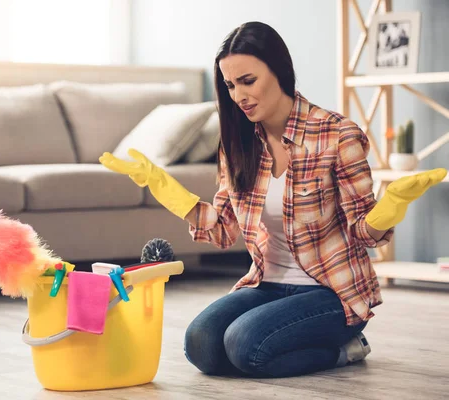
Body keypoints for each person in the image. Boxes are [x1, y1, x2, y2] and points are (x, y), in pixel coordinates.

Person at [99, 21, 447, 378]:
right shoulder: (239, 142)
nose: (238, 96)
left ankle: (345, 350)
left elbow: (362, 234)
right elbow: (221, 231)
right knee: (200, 344)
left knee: (244, 345)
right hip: (268, 284)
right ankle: (275, 340)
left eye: (248, 81)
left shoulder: (336, 135)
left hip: (332, 293)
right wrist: (165, 188)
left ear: (279, 71)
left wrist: (390, 207)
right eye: (230, 85)